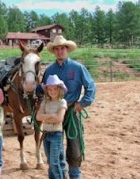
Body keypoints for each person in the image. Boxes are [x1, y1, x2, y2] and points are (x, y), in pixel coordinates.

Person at [37, 35, 96, 179]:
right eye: (56, 49)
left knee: (74, 144)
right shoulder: (49, 70)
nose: (59, 51)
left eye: (62, 48)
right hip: (53, 110)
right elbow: (42, 90)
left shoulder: (78, 68)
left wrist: (82, 104)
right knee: (52, 144)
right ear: (54, 52)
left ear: (67, 49)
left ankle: (75, 174)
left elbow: (91, 87)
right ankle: (59, 175)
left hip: (71, 110)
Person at [36, 74, 68, 179]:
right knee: (51, 162)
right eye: (50, 89)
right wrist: (51, 115)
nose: (52, 91)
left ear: (59, 89)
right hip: (46, 134)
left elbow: (59, 119)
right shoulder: (45, 102)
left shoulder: (62, 102)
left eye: (55, 89)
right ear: (47, 90)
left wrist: (45, 117)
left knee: (54, 162)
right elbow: (38, 117)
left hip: (56, 135)